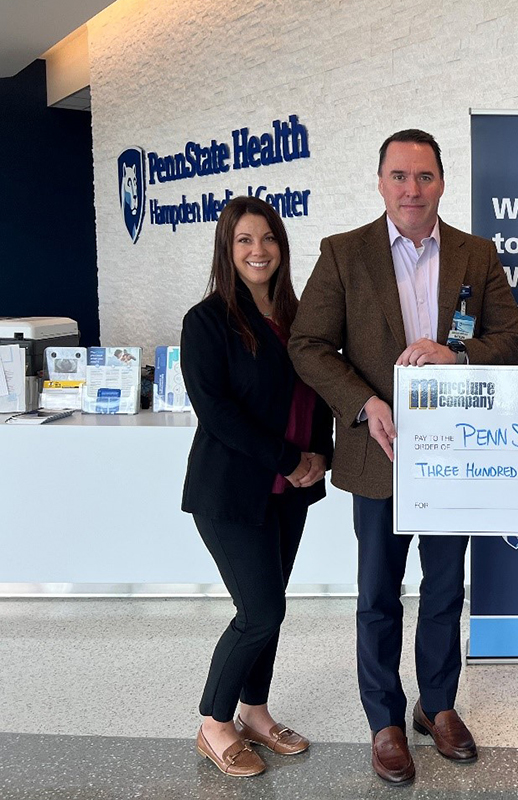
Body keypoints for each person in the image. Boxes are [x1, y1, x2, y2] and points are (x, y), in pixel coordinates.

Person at [289, 129, 518, 784]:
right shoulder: (344, 254)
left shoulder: (476, 256)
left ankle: (438, 707)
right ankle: (385, 720)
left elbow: (512, 340)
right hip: (379, 453)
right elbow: (308, 344)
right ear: (380, 182)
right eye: (399, 176)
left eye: (424, 177)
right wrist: (366, 403)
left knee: (446, 588)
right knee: (378, 595)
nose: (411, 189)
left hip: (456, 456)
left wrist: (458, 354)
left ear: (442, 183)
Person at [181, 196, 332, 777]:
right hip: (231, 492)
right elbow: (216, 411)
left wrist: (318, 455)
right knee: (260, 610)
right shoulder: (208, 320)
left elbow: (315, 388)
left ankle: (255, 712)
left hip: (289, 490)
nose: (258, 250)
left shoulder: (300, 316)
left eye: (267, 238)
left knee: (272, 607)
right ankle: (214, 723)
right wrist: (289, 457)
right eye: (244, 240)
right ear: (227, 248)